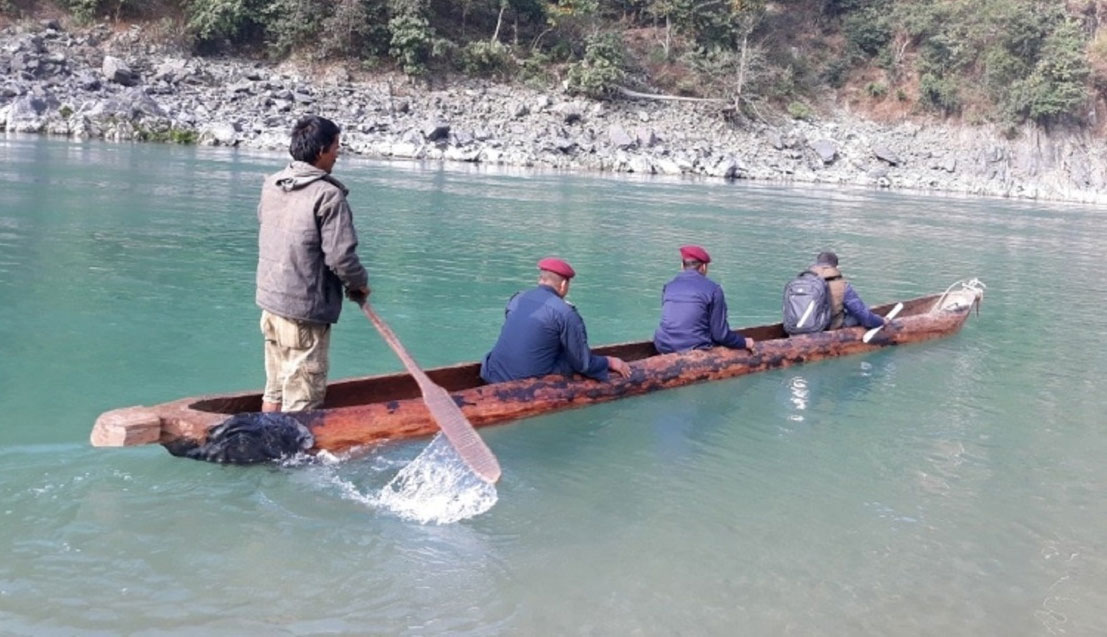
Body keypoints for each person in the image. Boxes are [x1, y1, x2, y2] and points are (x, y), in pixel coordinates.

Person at [255, 115, 370, 412]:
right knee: (303, 397)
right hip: (304, 310)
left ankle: (265, 441)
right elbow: (341, 256)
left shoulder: (272, 185)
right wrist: (359, 286)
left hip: (271, 304)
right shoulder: (328, 195)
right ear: (321, 151)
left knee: (276, 388)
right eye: (336, 147)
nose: (338, 153)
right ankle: (293, 455)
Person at [480, 258, 632, 384]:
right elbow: (583, 364)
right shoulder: (566, 313)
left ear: (540, 280)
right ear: (564, 284)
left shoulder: (517, 298)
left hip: (491, 371)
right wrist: (610, 362)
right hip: (522, 379)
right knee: (572, 359)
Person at [653, 245, 755, 354]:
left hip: (662, 344)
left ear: (682, 266)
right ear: (704, 267)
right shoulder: (714, 290)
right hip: (692, 348)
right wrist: (744, 342)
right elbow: (720, 335)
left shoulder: (669, 286)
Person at [807, 251, 887, 330]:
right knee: (857, 314)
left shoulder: (803, 280)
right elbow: (860, 313)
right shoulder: (841, 285)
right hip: (825, 327)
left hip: (801, 324)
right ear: (835, 267)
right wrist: (881, 321)